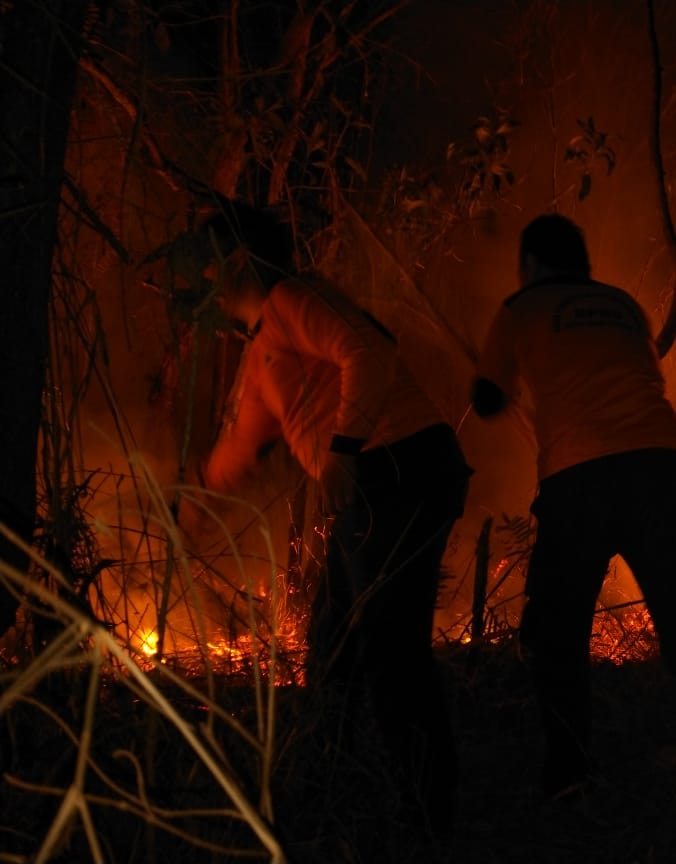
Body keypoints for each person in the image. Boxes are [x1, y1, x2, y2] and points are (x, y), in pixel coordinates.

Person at [196, 201, 472, 842]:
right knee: (335, 641)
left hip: (398, 469)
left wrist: (343, 448)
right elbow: (242, 445)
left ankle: (429, 815)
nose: (202, 279)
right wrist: (185, 500)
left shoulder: (294, 299)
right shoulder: (264, 346)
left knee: (389, 649)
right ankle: (329, 781)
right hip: (377, 481)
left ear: (237, 260)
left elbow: (367, 349)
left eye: (209, 261)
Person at [471, 213, 676, 828]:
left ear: (531, 264)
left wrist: (495, 378)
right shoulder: (623, 305)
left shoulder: (520, 307)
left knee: (557, 633)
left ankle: (569, 776)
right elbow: (639, 377)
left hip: (580, 479)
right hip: (662, 469)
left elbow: (488, 399)